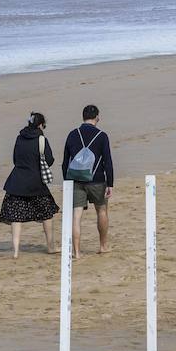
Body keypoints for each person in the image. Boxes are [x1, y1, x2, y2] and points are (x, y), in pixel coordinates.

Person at [0, 112, 58, 259]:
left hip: (17, 182)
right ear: (40, 125)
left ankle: (16, 251)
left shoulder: (19, 138)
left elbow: (15, 159)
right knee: (47, 214)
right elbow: (49, 160)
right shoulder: (42, 140)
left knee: (16, 218)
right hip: (36, 182)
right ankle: (51, 246)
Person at [63, 105, 115, 258]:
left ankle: (76, 252)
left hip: (76, 180)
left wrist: (67, 182)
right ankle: (103, 245)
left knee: (76, 216)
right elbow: (108, 161)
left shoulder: (72, 134)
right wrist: (110, 183)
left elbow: (65, 161)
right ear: (97, 117)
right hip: (97, 179)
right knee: (102, 210)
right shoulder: (102, 135)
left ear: (83, 117)